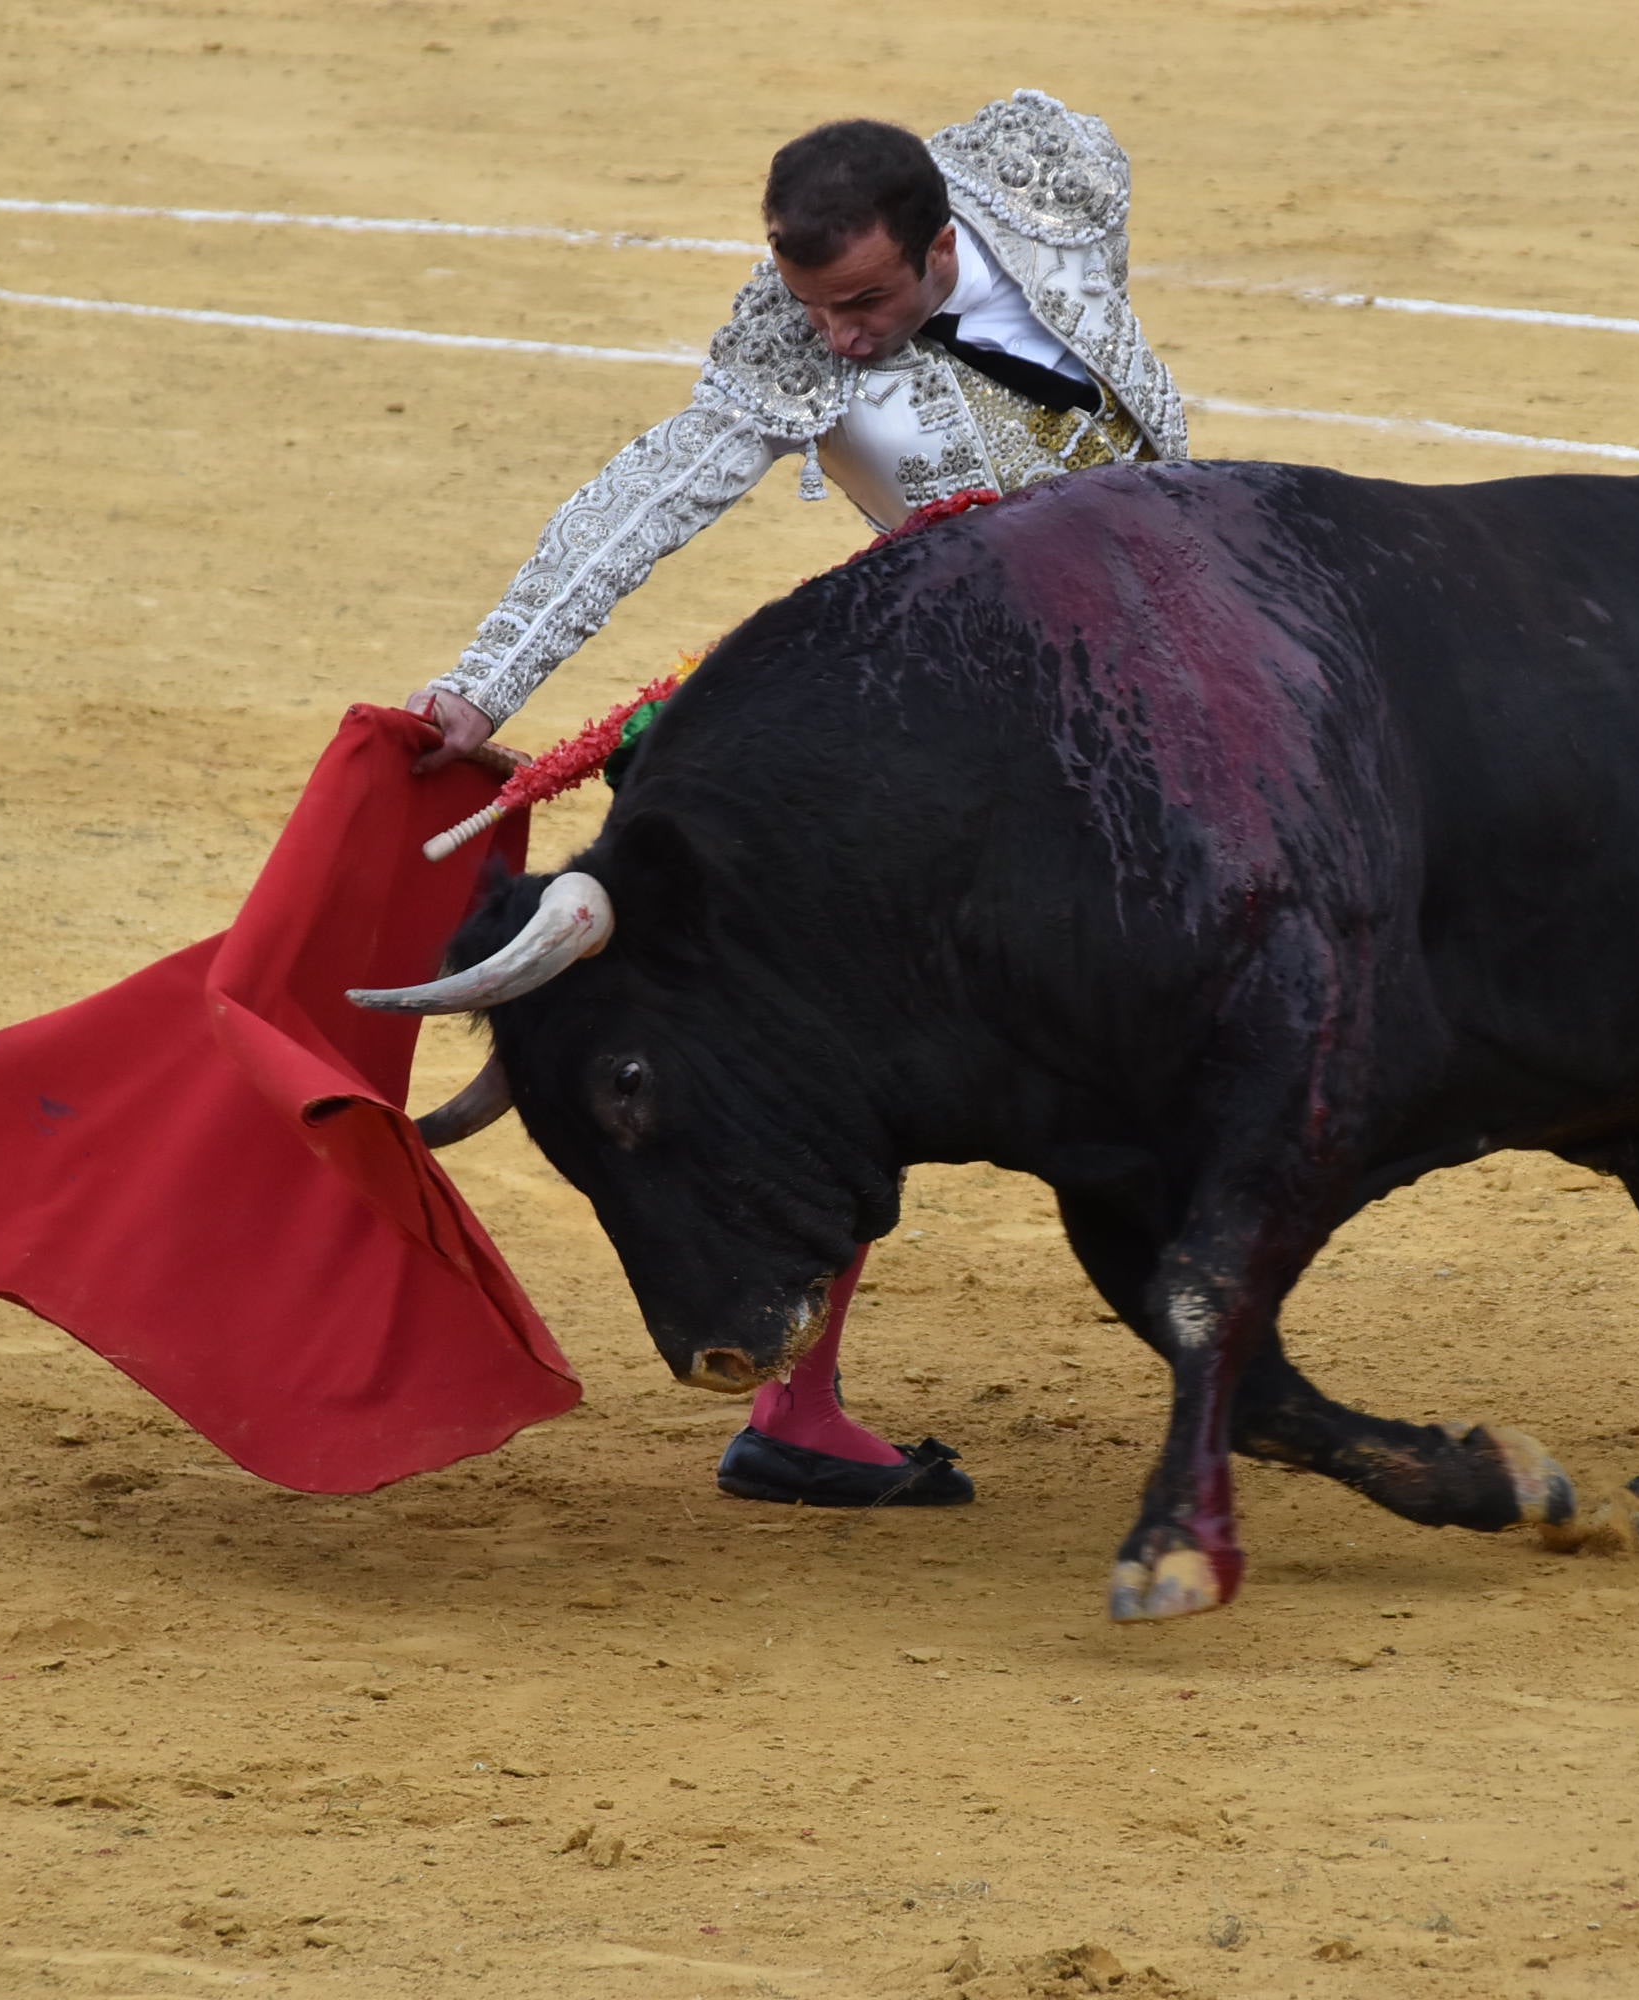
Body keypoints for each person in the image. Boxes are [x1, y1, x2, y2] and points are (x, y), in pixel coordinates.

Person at [403, 90, 1188, 1508]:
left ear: (946, 242)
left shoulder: (1050, 174)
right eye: (812, 302)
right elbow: (654, 490)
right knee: (833, 1032)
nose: (838, 334)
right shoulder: (790, 336)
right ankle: (797, 1406)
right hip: (974, 710)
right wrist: (483, 684)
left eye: (867, 300)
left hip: (1180, 631)